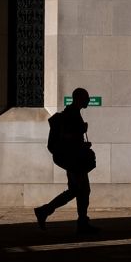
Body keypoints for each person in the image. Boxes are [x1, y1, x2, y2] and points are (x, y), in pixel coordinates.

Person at [34, 87, 98, 234]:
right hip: (74, 159)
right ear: (79, 99)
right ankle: (81, 223)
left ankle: (45, 211)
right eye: (86, 98)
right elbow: (67, 138)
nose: (88, 100)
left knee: (75, 190)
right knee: (83, 190)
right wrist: (81, 133)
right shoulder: (71, 114)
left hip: (73, 158)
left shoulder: (74, 113)